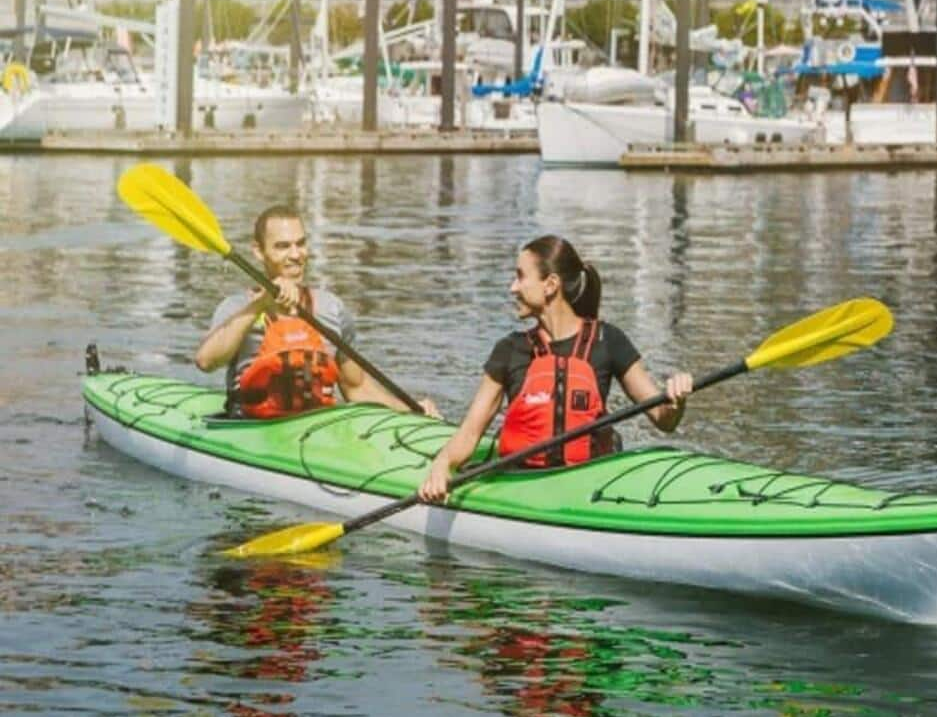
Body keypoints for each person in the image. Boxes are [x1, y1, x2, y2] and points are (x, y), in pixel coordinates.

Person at [417, 236, 692, 503]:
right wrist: (443, 464)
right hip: (521, 485)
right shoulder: (509, 350)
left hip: (590, 485)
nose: (513, 287)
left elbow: (663, 419)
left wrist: (676, 400)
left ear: (550, 285)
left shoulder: (608, 341)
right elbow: (470, 433)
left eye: (521, 276)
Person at [196, 205, 432, 419]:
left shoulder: (331, 308)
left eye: (301, 243)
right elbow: (206, 361)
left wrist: (411, 412)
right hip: (252, 427)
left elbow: (356, 387)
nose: (296, 255)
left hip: (315, 430)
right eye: (282, 246)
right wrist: (260, 305)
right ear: (259, 252)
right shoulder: (237, 307)